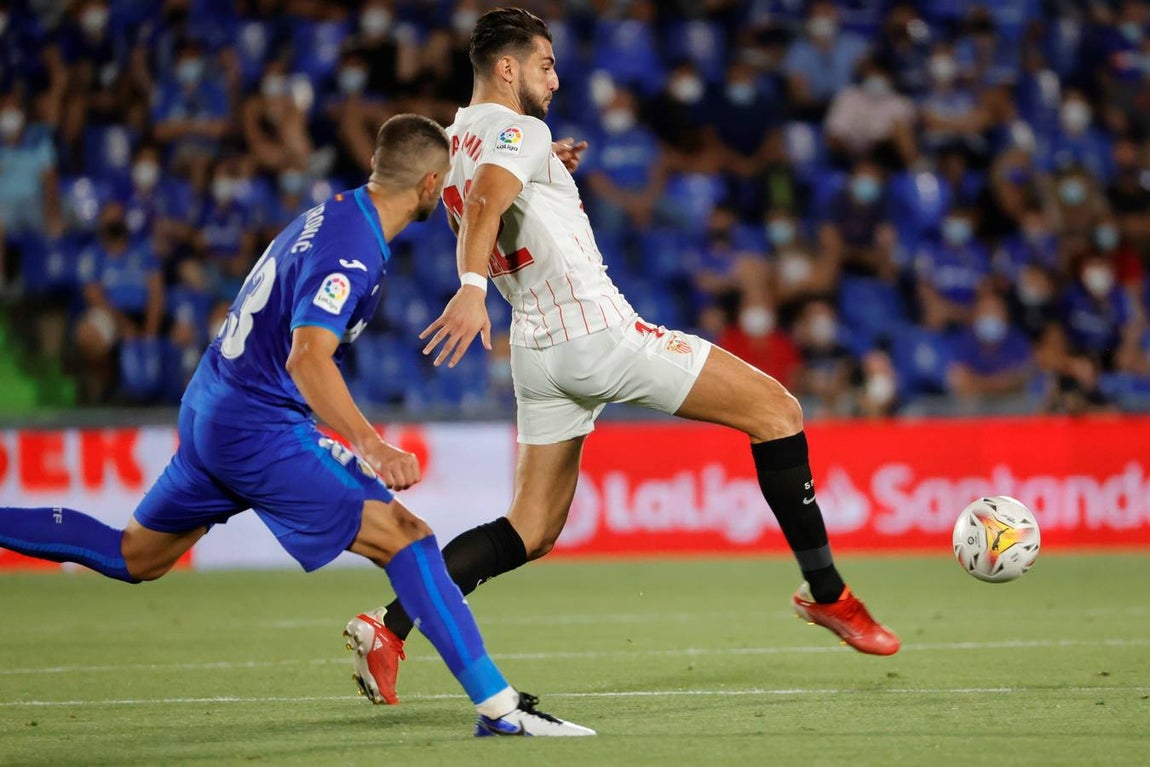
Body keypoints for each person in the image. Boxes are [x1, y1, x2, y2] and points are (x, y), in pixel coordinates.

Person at [358, 7, 900, 708]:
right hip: (596, 334)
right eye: (545, 64)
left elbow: (488, 189)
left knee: (529, 529)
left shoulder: (455, 139)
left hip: (538, 348)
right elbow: (492, 199)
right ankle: (829, 593)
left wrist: (546, 170)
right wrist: (469, 290)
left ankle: (388, 626)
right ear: (507, 68)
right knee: (778, 409)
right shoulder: (520, 130)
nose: (556, 79)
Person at [0, 113, 593, 738]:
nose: (447, 192)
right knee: (407, 535)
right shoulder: (354, 248)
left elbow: (461, 189)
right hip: (255, 426)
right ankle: (500, 709)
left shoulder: (337, 213)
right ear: (428, 184)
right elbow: (306, 357)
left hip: (212, 406)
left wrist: (529, 162)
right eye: (443, 184)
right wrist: (371, 444)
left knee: (135, 555)